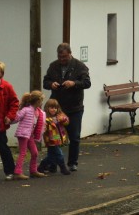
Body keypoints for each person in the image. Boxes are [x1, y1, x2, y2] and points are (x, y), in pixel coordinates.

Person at [42, 43, 91, 172]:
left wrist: (74, 83)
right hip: (56, 109)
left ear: (70, 53)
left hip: (75, 107)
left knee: (74, 137)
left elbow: (87, 83)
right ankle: (52, 163)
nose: (62, 59)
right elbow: (45, 82)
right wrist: (51, 84)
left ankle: (72, 163)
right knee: (53, 137)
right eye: (60, 56)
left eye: (64, 56)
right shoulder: (53, 66)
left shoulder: (80, 66)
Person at [12, 90, 46, 179]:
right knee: (23, 152)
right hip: (23, 134)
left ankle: (33, 170)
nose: (42, 103)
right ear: (38, 101)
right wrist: (9, 119)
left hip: (30, 134)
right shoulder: (26, 110)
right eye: (41, 101)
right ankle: (17, 172)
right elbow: (17, 117)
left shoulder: (37, 111)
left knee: (35, 152)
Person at [42, 98, 72, 175]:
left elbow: (67, 122)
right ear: (47, 108)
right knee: (59, 154)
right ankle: (63, 168)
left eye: (55, 108)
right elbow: (45, 127)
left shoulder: (59, 116)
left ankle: (42, 167)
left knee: (51, 156)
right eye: (52, 108)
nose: (54, 110)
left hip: (57, 138)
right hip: (50, 139)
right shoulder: (45, 118)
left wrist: (63, 119)